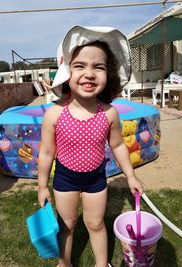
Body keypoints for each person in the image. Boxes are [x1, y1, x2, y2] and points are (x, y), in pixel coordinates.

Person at [38, 26, 144, 267]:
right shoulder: (54, 114)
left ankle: (101, 263)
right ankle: (64, 263)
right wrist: (43, 186)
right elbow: (46, 151)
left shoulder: (109, 114)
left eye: (98, 67)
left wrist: (130, 175)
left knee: (95, 223)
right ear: (66, 71)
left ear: (109, 74)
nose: (89, 73)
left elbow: (117, 145)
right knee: (66, 225)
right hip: (65, 179)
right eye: (80, 66)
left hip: (96, 178)